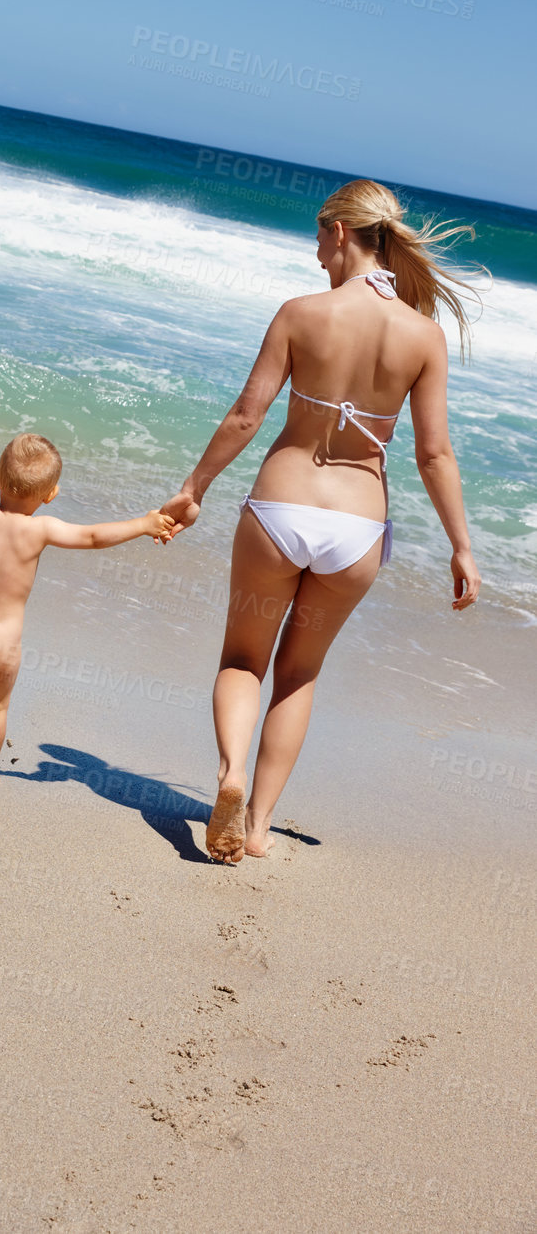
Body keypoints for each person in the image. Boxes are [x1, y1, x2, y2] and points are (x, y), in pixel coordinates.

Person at [160, 179, 482, 864]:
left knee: (243, 659)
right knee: (299, 673)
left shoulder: (299, 314)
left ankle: (231, 776)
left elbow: (247, 416)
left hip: (279, 511)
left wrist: (194, 487)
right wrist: (461, 545)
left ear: (342, 232)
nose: (314, 247)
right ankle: (259, 825)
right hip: (357, 530)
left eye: (318, 232)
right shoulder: (423, 334)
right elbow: (433, 453)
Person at [0, 434, 178, 796]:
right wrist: (143, 524)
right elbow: (94, 537)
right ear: (50, 495)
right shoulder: (43, 528)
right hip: (5, 641)